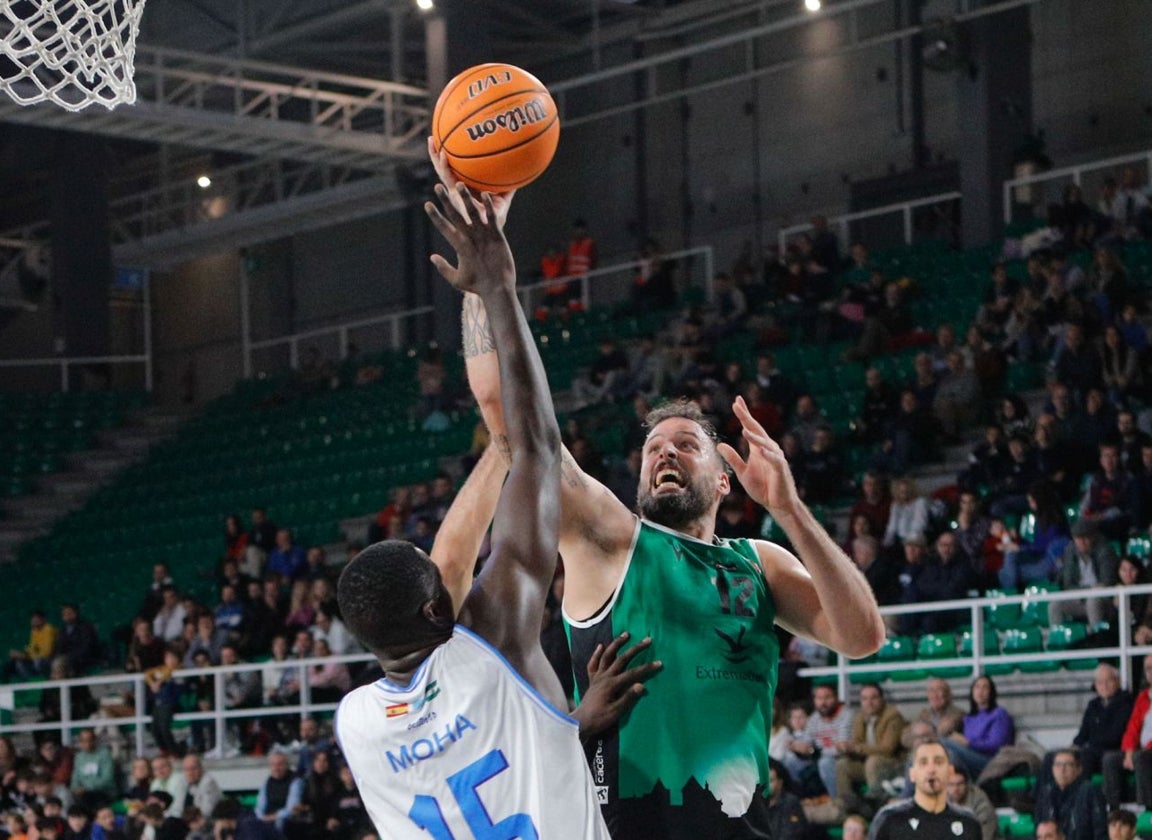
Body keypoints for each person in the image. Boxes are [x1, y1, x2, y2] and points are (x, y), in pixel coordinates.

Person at [443, 163, 885, 837]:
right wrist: (486, 278)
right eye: (653, 448)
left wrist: (791, 511)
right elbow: (506, 411)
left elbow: (862, 638)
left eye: (685, 445)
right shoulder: (609, 536)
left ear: (725, 478)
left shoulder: (757, 562)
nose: (664, 454)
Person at [333, 182, 655, 839]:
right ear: (437, 609)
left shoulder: (356, 723)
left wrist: (568, 726)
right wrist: (497, 287)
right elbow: (534, 442)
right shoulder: (490, 643)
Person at [868, 740, 982, 840]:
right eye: (923, 763)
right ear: (912, 774)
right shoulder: (889, 819)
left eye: (938, 762)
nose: (931, 769)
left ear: (950, 772)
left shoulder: (968, 823)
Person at [835, 683, 907, 811]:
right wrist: (846, 747)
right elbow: (856, 742)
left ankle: (875, 804)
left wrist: (858, 748)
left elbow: (888, 748)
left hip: (893, 763)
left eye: (873, 698)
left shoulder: (893, 716)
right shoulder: (860, 717)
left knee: (873, 761)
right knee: (842, 764)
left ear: (881, 699)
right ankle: (847, 804)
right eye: (865, 699)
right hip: (867, 763)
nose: (869, 702)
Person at [1104, 654, 1152, 809]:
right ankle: (1114, 809)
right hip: (1142, 750)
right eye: (1148, 669)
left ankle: (1145, 808)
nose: (1151, 672)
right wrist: (1129, 751)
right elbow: (1133, 727)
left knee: (1141, 758)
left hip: (1147, 751)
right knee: (1110, 759)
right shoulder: (1144, 697)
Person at [943, 676, 1014, 779]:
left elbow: (996, 745)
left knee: (943, 743)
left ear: (991, 692)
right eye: (977, 687)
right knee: (949, 755)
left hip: (990, 762)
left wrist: (968, 742)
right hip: (969, 757)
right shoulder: (969, 718)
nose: (980, 691)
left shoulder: (999, 714)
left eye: (985, 687)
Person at [1034, 749, 1107, 840]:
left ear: (1079, 770)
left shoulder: (1089, 791)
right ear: (1052, 769)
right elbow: (1038, 829)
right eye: (1058, 765)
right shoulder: (1046, 793)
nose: (1062, 769)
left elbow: (1100, 831)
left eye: (1068, 765)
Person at [68, 729, 115, 814]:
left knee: (89, 800)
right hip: (83, 794)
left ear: (95, 740)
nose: (87, 743)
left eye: (89, 740)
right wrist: (74, 788)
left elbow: (107, 779)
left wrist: (86, 788)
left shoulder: (104, 754)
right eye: (83, 741)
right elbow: (75, 778)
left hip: (103, 792)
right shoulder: (79, 757)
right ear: (80, 742)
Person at [947, 765, 998, 840]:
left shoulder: (980, 802)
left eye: (960, 784)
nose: (956, 789)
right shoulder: (939, 801)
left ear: (967, 785)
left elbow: (986, 834)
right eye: (951, 785)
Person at [765, 759, 807, 840]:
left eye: (770, 781)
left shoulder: (790, 803)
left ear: (780, 783)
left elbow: (791, 834)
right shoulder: (755, 806)